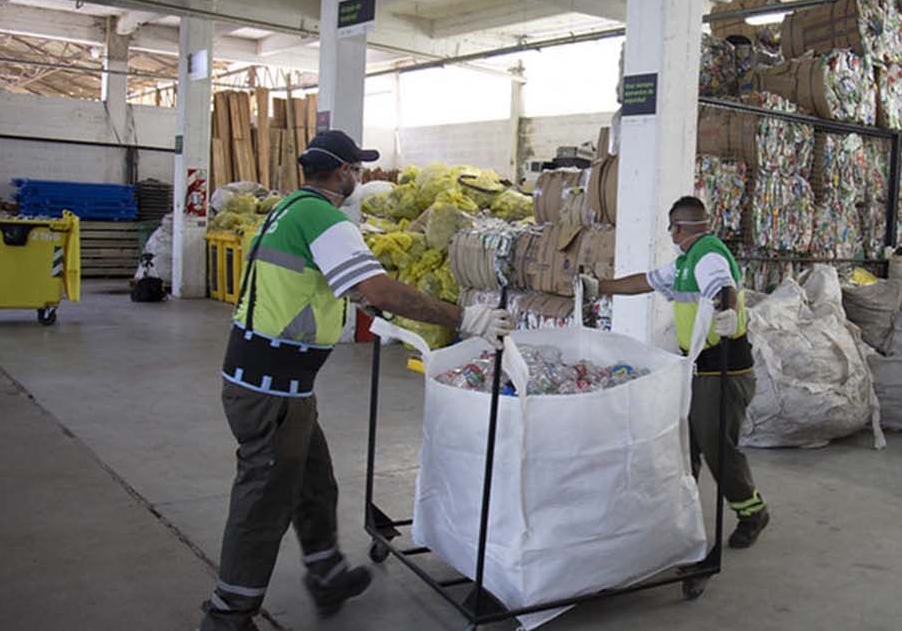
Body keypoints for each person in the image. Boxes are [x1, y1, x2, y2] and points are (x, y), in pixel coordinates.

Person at [200, 131, 513, 631]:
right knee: (264, 500)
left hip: (274, 381)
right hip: (271, 387)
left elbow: (318, 281)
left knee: (314, 483)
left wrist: (362, 301)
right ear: (341, 170)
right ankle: (228, 612)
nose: (359, 177)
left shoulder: (291, 209)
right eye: (356, 168)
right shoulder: (323, 217)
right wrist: (465, 318)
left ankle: (326, 576)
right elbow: (377, 286)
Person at [580, 196, 770, 549]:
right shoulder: (686, 261)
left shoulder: (708, 255)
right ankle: (682, 515)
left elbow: (723, 287)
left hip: (723, 369)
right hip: (699, 368)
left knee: (716, 446)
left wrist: (727, 313)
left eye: (671, 228)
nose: (670, 234)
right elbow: (646, 281)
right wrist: (600, 287)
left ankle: (751, 511)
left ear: (678, 228)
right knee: (688, 445)